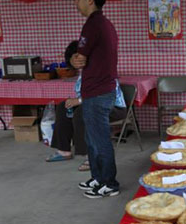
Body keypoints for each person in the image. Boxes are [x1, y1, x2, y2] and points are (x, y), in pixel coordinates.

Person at [71, 0, 121, 199]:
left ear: (90, 0)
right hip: (101, 89)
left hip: (97, 91)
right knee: (92, 139)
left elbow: (79, 59)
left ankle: (110, 183)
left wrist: (74, 59)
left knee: (99, 140)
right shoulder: (106, 24)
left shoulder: (92, 25)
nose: (76, 1)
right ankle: (98, 177)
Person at [46, 40, 126, 172]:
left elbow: (105, 93)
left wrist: (80, 101)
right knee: (63, 107)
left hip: (114, 108)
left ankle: (91, 156)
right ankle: (63, 151)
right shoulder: (83, 73)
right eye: (74, 57)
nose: (77, 60)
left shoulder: (102, 70)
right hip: (92, 105)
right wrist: (75, 101)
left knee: (83, 112)